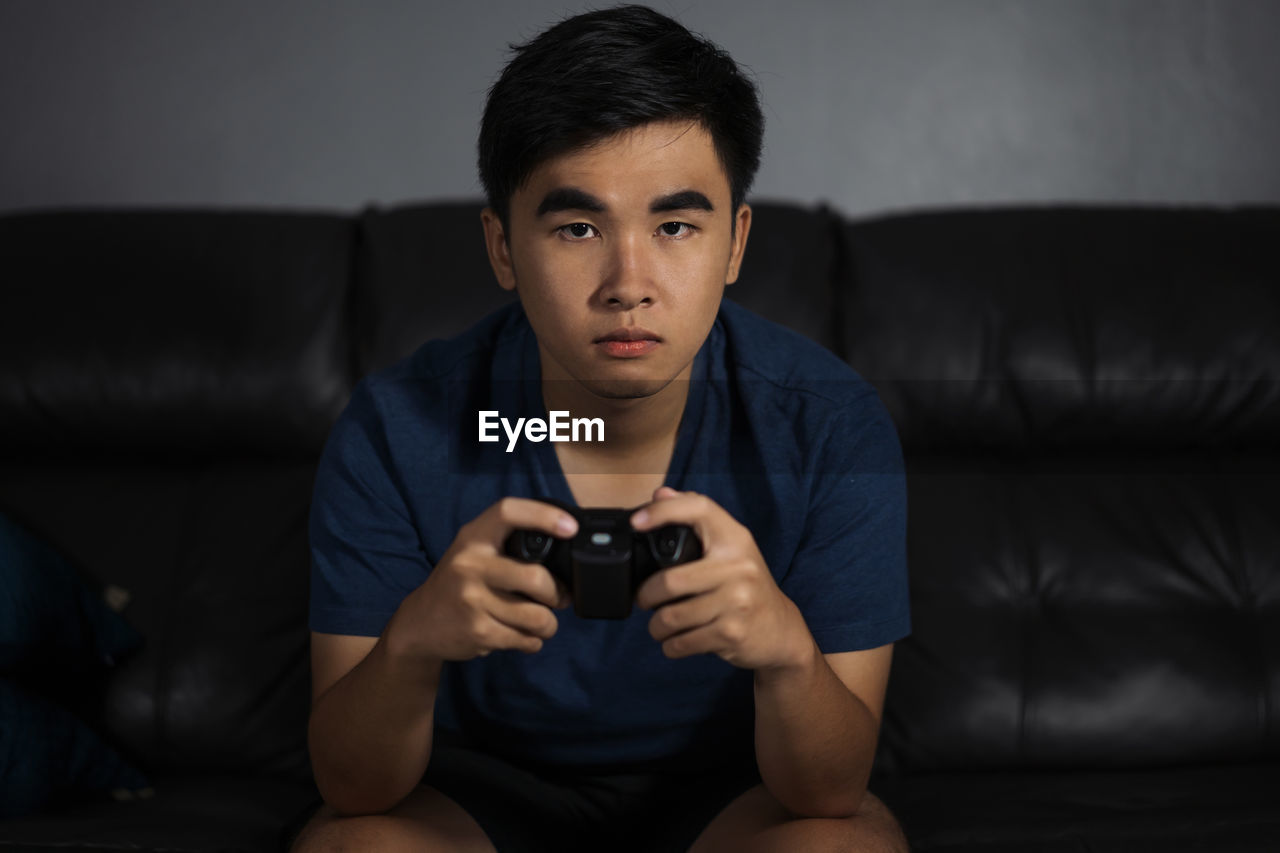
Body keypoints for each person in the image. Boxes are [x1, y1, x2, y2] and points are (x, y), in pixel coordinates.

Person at [289, 5, 910, 852]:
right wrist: (413, 643)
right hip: (475, 789)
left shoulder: (829, 424)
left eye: (675, 227)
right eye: (577, 227)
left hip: (732, 790)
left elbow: (830, 791)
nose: (629, 282)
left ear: (734, 243)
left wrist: (787, 653)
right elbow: (354, 787)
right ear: (503, 247)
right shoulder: (397, 426)